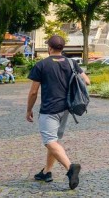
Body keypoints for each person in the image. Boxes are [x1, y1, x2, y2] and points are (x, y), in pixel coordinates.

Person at [26, 35, 89, 190]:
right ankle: (47, 171)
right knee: (54, 140)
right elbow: (87, 81)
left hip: (49, 109)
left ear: (49, 47)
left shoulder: (42, 65)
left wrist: (28, 110)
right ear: (62, 48)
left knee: (49, 141)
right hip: (66, 108)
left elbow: (34, 92)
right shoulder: (71, 63)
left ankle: (70, 168)